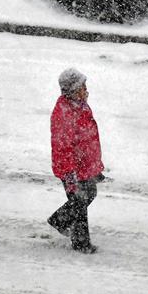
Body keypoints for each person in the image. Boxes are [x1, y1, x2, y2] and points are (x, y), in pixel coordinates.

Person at [47, 68, 105, 254]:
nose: (86, 90)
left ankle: (60, 219)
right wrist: (70, 174)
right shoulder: (64, 113)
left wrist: (94, 167)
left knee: (89, 194)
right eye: (82, 87)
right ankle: (81, 243)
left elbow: (87, 138)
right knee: (79, 201)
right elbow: (63, 148)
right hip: (71, 167)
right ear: (71, 91)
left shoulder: (80, 105)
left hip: (84, 164)